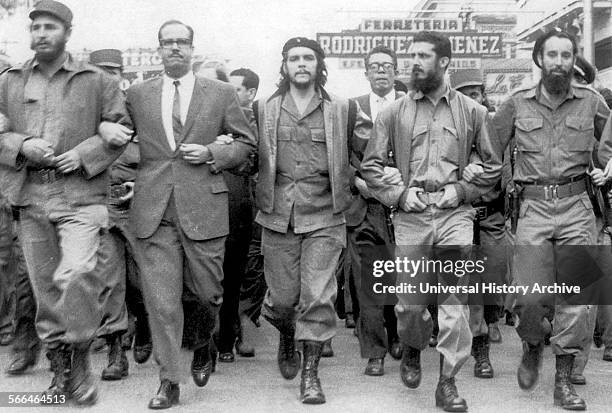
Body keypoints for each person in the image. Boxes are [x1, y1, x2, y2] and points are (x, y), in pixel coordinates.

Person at [361, 31, 501, 412]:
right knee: (409, 305)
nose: (415, 62)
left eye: (423, 55)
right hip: (411, 216)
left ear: (444, 62)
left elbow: (492, 166)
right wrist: (399, 194)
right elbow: (371, 166)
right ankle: (411, 347)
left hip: (456, 215)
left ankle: (447, 382)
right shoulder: (393, 112)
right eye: (412, 55)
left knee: (453, 300)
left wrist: (462, 191)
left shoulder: (473, 111)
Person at [0, 0, 131, 405]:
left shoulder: (96, 80)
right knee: (44, 290)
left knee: (75, 275)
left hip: (82, 198)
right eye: (35, 26)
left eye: (50, 27)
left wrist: (85, 154)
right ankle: (61, 372)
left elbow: (121, 128)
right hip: (31, 195)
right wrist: (23, 144)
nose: (41, 33)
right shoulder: (10, 81)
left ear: (67, 33)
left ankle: (78, 357)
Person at [123, 19, 256, 409]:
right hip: (154, 210)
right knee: (162, 301)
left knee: (207, 293)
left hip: (204, 206)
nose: (175, 48)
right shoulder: (138, 94)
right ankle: (169, 380)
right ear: (159, 49)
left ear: (192, 49)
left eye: (182, 42)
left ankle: (203, 343)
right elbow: (122, 138)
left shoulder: (221, 92)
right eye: (168, 43)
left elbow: (247, 144)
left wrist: (214, 153)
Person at [494, 29, 611, 410]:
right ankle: (531, 345)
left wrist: (607, 168)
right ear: (539, 59)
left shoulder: (592, 103)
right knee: (529, 298)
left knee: (578, 300)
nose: (559, 61)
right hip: (532, 209)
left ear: (574, 59)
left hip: (578, 206)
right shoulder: (516, 104)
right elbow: (488, 149)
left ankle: (563, 380)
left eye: (566, 55)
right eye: (552, 55)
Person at [254, 36, 369, 404]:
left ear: (319, 65)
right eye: (293, 59)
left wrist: (368, 179)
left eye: (308, 58)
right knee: (284, 300)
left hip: (325, 214)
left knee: (318, 296)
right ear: (284, 66)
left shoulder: (344, 108)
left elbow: (371, 150)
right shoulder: (262, 109)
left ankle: (311, 375)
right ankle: (287, 333)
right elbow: (242, 147)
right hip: (277, 216)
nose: (300, 64)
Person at [90, 48, 153, 379]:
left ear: (122, 75)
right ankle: (116, 351)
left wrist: (141, 188)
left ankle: (143, 322)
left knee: (144, 279)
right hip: (98, 207)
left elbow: (159, 160)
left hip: (137, 208)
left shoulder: (140, 112)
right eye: (100, 70)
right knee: (108, 281)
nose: (107, 76)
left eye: (114, 70)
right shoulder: (84, 115)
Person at [349, 45, 405, 376]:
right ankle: (374, 350)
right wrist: (357, 181)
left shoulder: (411, 105)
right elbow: (340, 153)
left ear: (396, 71)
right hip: (364, 204)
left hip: (403, 205)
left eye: (387, 66)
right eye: (375, 66)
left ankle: (398, 334)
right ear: (366, 72)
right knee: (369, 280)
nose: (381, 71)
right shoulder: (351, 108)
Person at [449, 69, 506, 381]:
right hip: (461, 216)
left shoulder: (496, 125)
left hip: (493, 218)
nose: (475, 99)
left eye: (478, 93)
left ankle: (489, 322)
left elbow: (505, 168)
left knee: (496, 278)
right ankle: (481, 354)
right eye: (466, 94)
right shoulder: (449, 130)